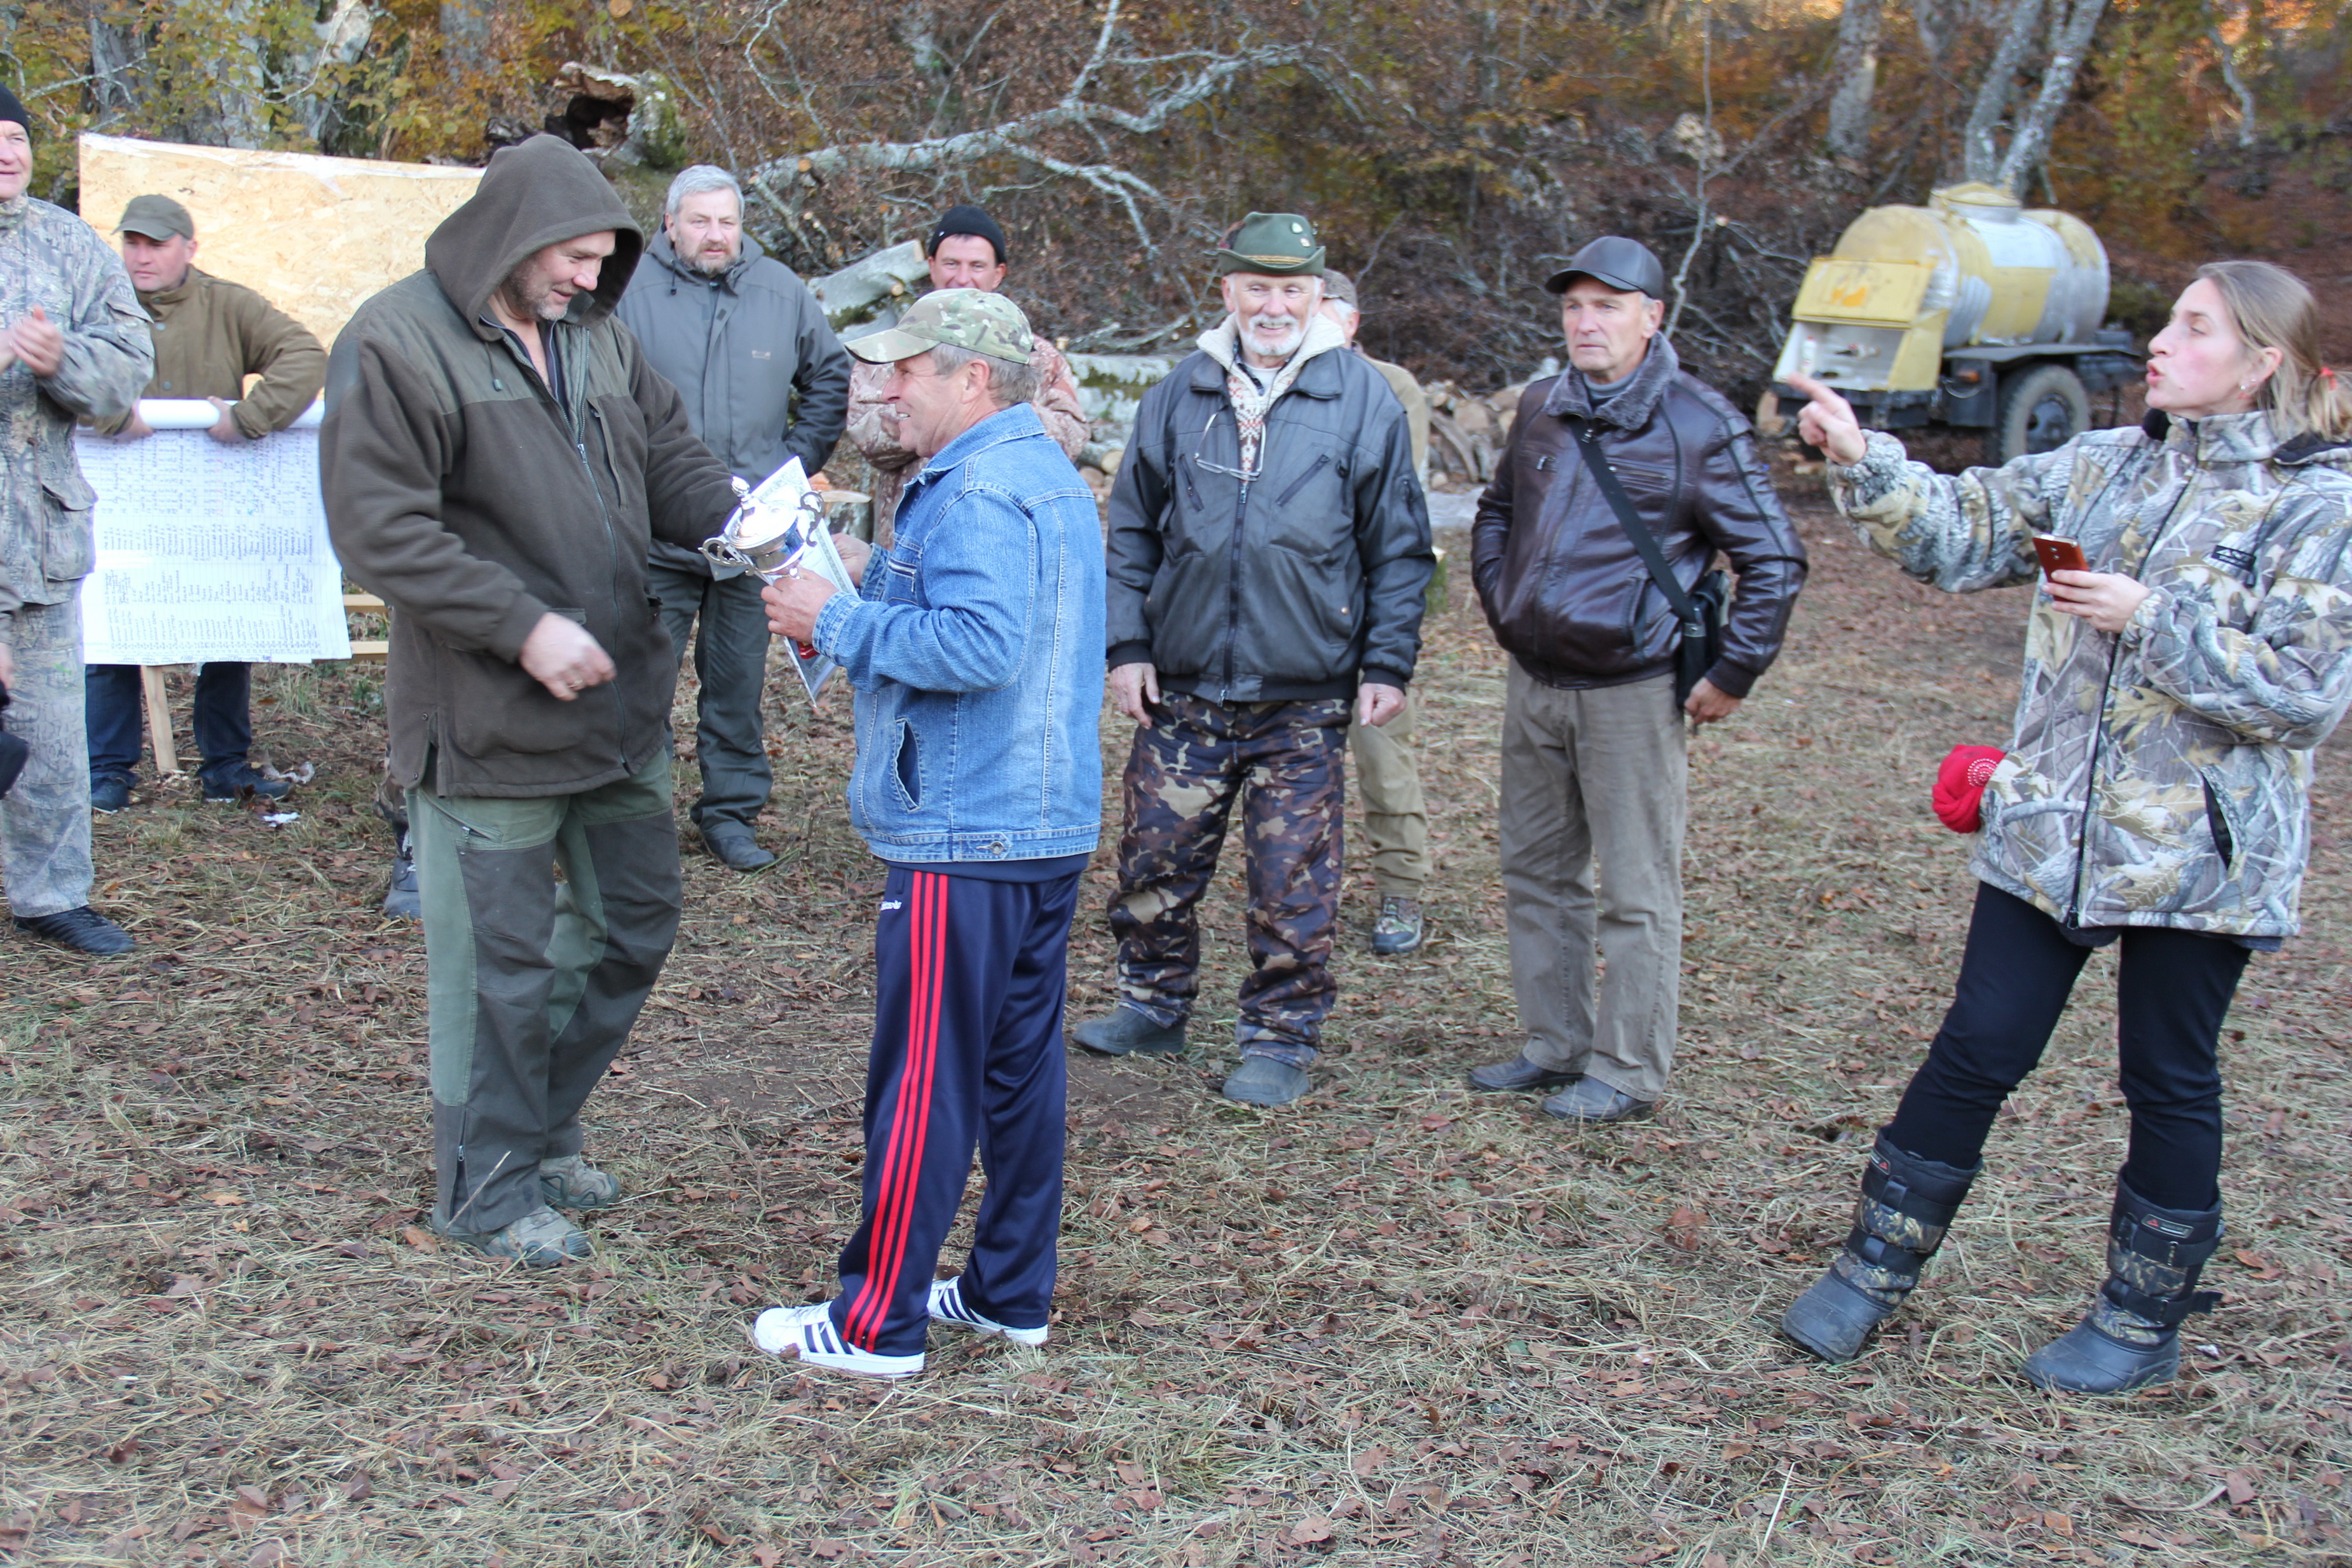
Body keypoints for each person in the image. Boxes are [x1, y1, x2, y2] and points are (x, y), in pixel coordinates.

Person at [1779, 260, 2352, 1394]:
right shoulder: (2106, 463)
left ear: (2261, 362)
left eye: (2195, 328)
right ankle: (1868, 1270)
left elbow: (2305, 694)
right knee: (1978, 1045)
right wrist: (1861, 457)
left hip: (2198, 857)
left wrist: (2151, 619)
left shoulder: (2316, 505)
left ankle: (2139, 1323)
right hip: (2048, 825)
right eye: (2170, 322)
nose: (2162, 342)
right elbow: (1963, 530)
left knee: (2168, 1077)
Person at [322, 135, 743, 1267]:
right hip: (486, 722)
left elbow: (671, 459)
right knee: (496, 970)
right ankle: (486, 1187)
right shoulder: (396, 341)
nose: (589, 280)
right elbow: (378, 530)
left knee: (633, 920)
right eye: (573, 258)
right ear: (515, 236)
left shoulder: (596, 334)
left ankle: (539, 1127)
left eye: (604, 261)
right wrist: (521, 625)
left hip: (618, 709)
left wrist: (745, 521)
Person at [749, 289, 1102, 1377]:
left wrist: (833, 618)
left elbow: (982, 644)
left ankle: (875, 1324)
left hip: (965, 830)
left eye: (909, 370)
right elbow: (999, 617)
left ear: (974, 379)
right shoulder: (1042, 473)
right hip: (1039, 825)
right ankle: (1008, 1291)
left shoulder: (980, 488)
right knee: (1017, 1074)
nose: (887, 389)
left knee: (923, 1081)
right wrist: (879, 571)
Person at [1070, 212, 1434, 1108]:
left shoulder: (1362, 399)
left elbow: (1399, 548)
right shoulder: (1179, 392)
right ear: (1228, 289)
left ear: (1316, 295)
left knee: (1292, 881)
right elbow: (1131, 531)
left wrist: (1386, 663)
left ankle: (1280, 1037)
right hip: (1184, 686)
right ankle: (1151, 1004)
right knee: (1153, 861)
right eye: (1258, 287)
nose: (1274, 306)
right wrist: (1127, 645)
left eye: (1292, 289)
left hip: (1302, 695)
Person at [1467, 236, 1807, 1124]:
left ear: (1652, 317)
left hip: (1633, 690)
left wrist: (1735, 669)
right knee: (1536, 871)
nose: (1586, 322)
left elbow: (1774, 558)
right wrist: (1504, 600)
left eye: (1607, 306)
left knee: (1636, 888)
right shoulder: (1542, 405)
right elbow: (1498, 510)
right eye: (1574, 306)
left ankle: (1625, 1070)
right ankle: (1554, 1043)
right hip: (1534, 679)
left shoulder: (1700, 424)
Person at [615, 165, 851, 872]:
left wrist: (794, 464)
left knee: (737, 685)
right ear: (670, 224)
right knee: (641, 684)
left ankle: (730, 814)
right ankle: (638, 817)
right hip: (656, 531)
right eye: (699, 221)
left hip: (755, 538)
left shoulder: (780, 290)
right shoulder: (626, 292)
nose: (715, 235)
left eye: (727, 221)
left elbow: (830, 375)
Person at [84, 194, 327, 813]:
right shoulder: (97, 301)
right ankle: (106, 770)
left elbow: (304, 357)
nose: (142, 256)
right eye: (133, 242)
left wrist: (250, 418)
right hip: (120, 498)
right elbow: (60, 369)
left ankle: (224, 766)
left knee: (225, 625)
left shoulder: (229, 304)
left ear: (188, 248)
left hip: (210, 499)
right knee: (111, 625)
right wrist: (110, 412)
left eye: (157, 244)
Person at [0, 87, 154, 957]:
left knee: (50, 735)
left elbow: (129, 363)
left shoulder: (68, 244)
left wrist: (64, 360)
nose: (7, 152)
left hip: (42, 538)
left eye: (16, 137)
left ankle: (50, 895)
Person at [837, 204, 1087, 539]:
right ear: (931, 267)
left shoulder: (1038, 356)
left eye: (977, 266)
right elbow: (866, 435)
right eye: (951, 263)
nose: (963, 278)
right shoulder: (893, 349)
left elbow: (1072, 437)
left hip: (1001, 531)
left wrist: (987, 415)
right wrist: (952, 415)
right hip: (904, 537)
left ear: (998, 274)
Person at [1318, 268, 1432, 955]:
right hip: (1296, 612)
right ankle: (1302, 886)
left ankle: (1402, 887)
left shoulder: (1393, 387)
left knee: (1382, 753)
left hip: (1368, 608)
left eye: (1323, 308)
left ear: (1351, 320)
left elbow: (1397, 500)